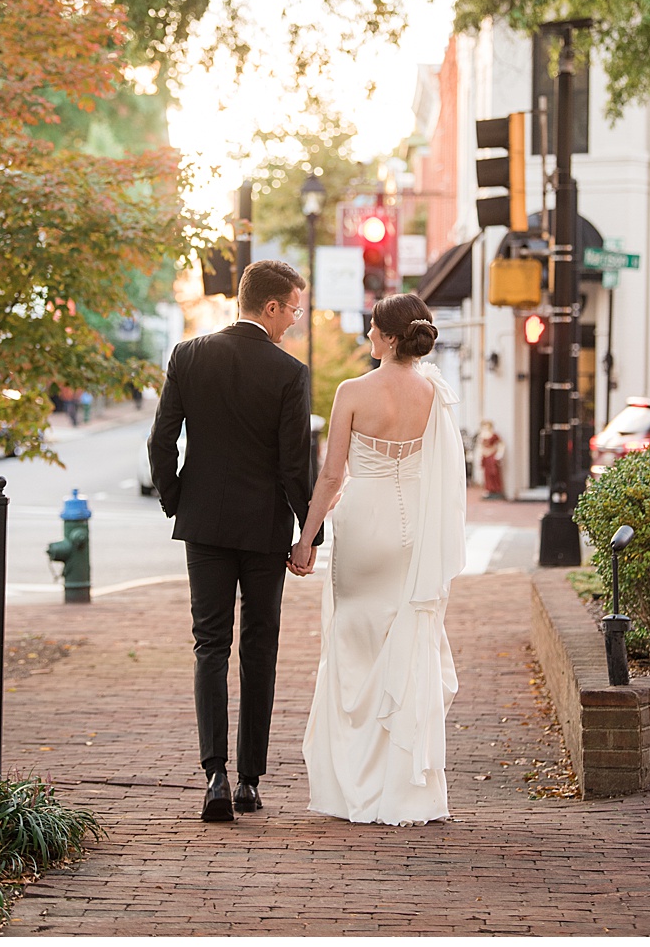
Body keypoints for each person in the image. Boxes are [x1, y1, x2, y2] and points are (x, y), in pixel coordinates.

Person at [148, 260, 316, 822]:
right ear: (269, 307)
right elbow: (296, 465)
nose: (295, 320)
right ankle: (250, 781)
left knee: (209, 645)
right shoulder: (290, 373)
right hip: (265, 529)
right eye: (293, 309)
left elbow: (161, 440)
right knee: (259, 649)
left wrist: (178, 501)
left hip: (206, 526)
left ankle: (214, 774)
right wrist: (309, 532)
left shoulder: (188, 356)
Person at [292, 292, 467, 826]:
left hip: (363, 526)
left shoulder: (353, 391)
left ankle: (355, 786)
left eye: (372, 329)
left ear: (389, 338)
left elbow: (331, 476)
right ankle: (404, 788)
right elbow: (445, 472)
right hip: (412, 528)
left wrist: (306, 538)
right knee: (407, 647)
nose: (367, 336)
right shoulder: (434, 393)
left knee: (353, 643)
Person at [477, 419, 505, 500]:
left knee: (494, 473)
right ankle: (489, 489)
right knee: (487, 474)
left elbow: (501, 444)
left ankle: (496, 489)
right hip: (485, 457)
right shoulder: (482, 436)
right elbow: (480, 446)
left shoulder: (494, 435)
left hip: (492, 456)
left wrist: (499, 454)